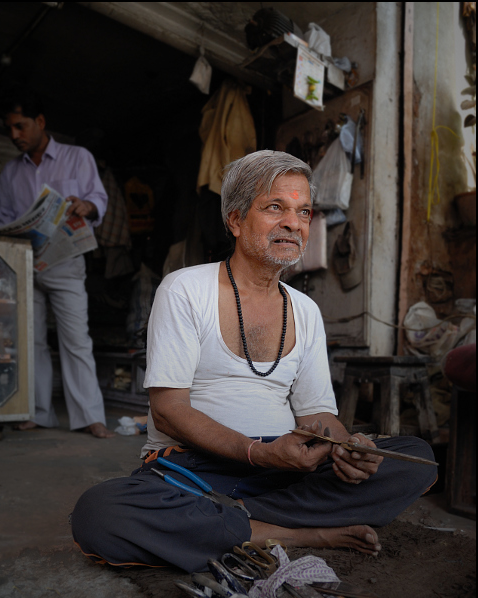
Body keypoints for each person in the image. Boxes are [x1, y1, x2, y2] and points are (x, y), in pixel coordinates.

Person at [71, 150, 437, 572]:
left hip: (285, 469)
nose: (293, 223)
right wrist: (259, 453)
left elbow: (318, 412)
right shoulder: (185, 289)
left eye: (303, 211)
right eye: (275, 207)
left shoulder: (306, 311)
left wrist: (346, 447)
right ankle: (295, 532)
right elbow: (168, 412)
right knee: (100, 512)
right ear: (236, 220)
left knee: (416, 459)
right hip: (195, 469)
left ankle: (228, 521)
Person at [0, 88, 114, 438]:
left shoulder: (78, 157)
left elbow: (98, 199)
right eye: (10, 129)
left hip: (65, 262)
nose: (15, 135)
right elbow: (4, 219)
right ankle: (38, 413)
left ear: (40, 122)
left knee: (76, 338)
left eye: (20, 126)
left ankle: (91, 416)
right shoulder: (9, 173)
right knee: (31, 341)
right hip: (25, 266)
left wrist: (86, 206)